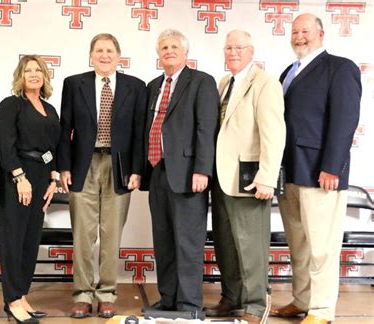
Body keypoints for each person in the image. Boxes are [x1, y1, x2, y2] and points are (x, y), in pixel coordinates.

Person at [269, 14, 361, 324]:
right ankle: (302, 300)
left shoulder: (340, 67)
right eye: (295, 32)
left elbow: (345, 119)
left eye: (305, 31)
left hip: (322, 174)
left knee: (322, 247)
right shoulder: (288, 72)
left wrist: (332, 167)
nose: (299, 37)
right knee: (299, 246)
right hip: (290, 173)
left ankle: (321, 311)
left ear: (321, 34)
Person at [57, 33, 146, 318]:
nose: (104, 55)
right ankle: (82, 294)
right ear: (91, 56)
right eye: (99, 51)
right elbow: (64, 127)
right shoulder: (74, 84)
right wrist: (64, 166)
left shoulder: (135, 86)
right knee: (83, 234)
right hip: (84, 165)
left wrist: (136, 170)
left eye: (110, 50)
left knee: (111, 235)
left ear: (119, 56)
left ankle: (107, 294)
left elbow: (139, 133)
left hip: (118, 167)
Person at [204, 30, 286, 324]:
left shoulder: (265, 83)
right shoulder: (225, 82)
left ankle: (255, 305)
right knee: (226, 244)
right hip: (223, 178)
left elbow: (274, 134)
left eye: (239, 47)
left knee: (251, 247)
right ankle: (232, 298)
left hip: (250, 179)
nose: (233, 52)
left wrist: (267, 177)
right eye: (228, 47)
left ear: (252, 51)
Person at [141, 29, 218, 314]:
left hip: (188, 173)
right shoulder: (152, 86)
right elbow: (146, 130)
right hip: (157, 171)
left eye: (174, 46)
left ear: (185, 53)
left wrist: (202, 170)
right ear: (158, 55)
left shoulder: (201, 82)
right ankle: (169, 298)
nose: (169, 51)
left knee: (187, 242)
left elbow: (206, 128)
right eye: (164, 47)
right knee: (164, 241)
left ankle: (189, 303)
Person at [0, 55, 60, 323]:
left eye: (38, 70)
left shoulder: (50, 109)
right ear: (20, 76)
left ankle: (21, 294)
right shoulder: (12, 105)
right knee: (14, 239)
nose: (33, 74)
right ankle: (11, 300)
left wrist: (53, 180)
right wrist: (20, 178)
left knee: (31, 239)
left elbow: (53, 149)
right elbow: (5, 144)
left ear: (45, 76)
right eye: (28, 70)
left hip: (42, 177)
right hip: (18, 175)